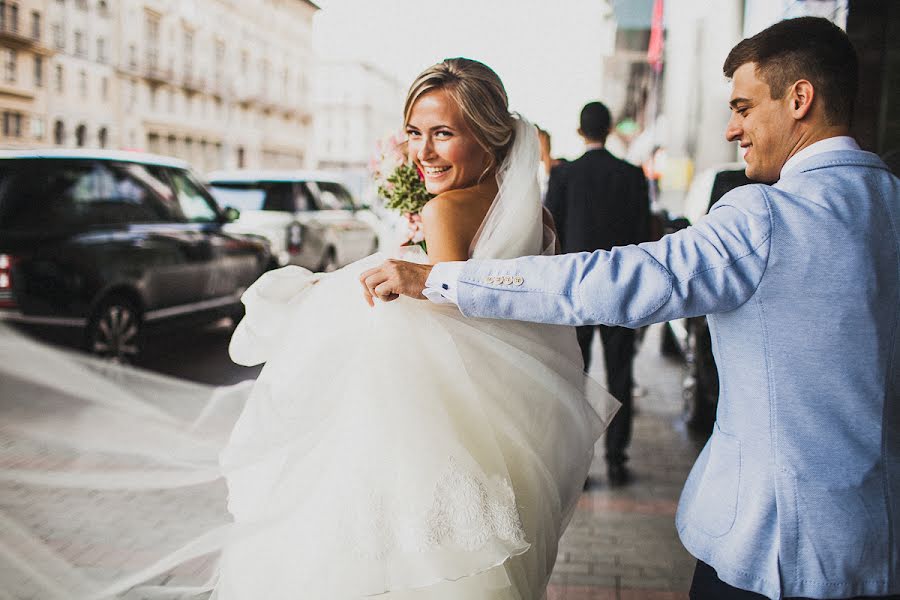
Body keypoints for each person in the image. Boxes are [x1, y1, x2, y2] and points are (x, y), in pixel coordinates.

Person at [0, 58, 617, 600]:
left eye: (443, 134)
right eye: (414, 133)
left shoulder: (444, 208)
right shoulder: (533, 214)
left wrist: (338, 290)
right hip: (506, 424)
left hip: (425, 425)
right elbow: (494, 297)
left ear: (487, 136)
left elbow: (445, 308)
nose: (424, 152)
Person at [361, 17, 899, 600]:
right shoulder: (890, 201)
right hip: (882, 543)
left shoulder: (766, 217)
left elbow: (618, 280)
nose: (731, 128)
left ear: (800, 99)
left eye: (744, 106)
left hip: (778, 550)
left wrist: (442, 279)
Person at [543, 101, 650, 486]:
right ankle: (617, 459)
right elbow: (645, 236)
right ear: (609, 130)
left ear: (579, 131)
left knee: (575, 375)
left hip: (575, 292)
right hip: (622, 289)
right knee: (620, 374)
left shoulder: (565, 175)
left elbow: (550, 232)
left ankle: (578, 465)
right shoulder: (631, 175)